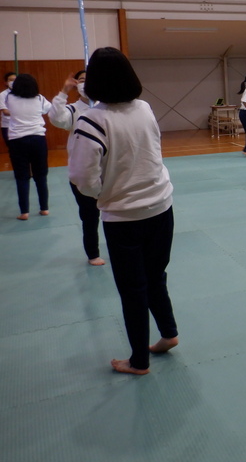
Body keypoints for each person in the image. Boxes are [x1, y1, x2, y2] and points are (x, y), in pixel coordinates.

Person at [69, 47, 178, 375]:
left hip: (124, 217)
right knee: (155, 277)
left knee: (133, 289)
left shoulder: (92, 119)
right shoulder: (143, 108)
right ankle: (169, 333)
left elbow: (82, 178)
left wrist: (104, 194)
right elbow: (153, 150)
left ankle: (139, 361)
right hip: (161, 206)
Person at [48, 70, 104, 265]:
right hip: (83, 172)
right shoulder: (73, 110)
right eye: (81, 80)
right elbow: (56, 118)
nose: (85, 84)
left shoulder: (106, 107)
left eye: (89, 80)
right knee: (90, 217)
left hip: (107, 170)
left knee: (114, 213)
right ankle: (93, 253)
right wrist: (64, 91)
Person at [1, 74, 51, 220]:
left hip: (17, 140)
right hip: (38, 138)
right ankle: (44, 208)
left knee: (21, 177)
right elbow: (49, 109)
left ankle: (24, 212)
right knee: (41, 176)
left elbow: (6, 110)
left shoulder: (9, 97)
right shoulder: (39, 98)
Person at [0, 71, 17, 147]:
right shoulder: (2, 95)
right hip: (8, 126)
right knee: (12, 148)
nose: (13, 82)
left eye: (15, 80)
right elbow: (5, 112)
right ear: (6, 83)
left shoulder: (22, 93)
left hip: (21, 125)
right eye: (11, 80)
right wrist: (21, 114)